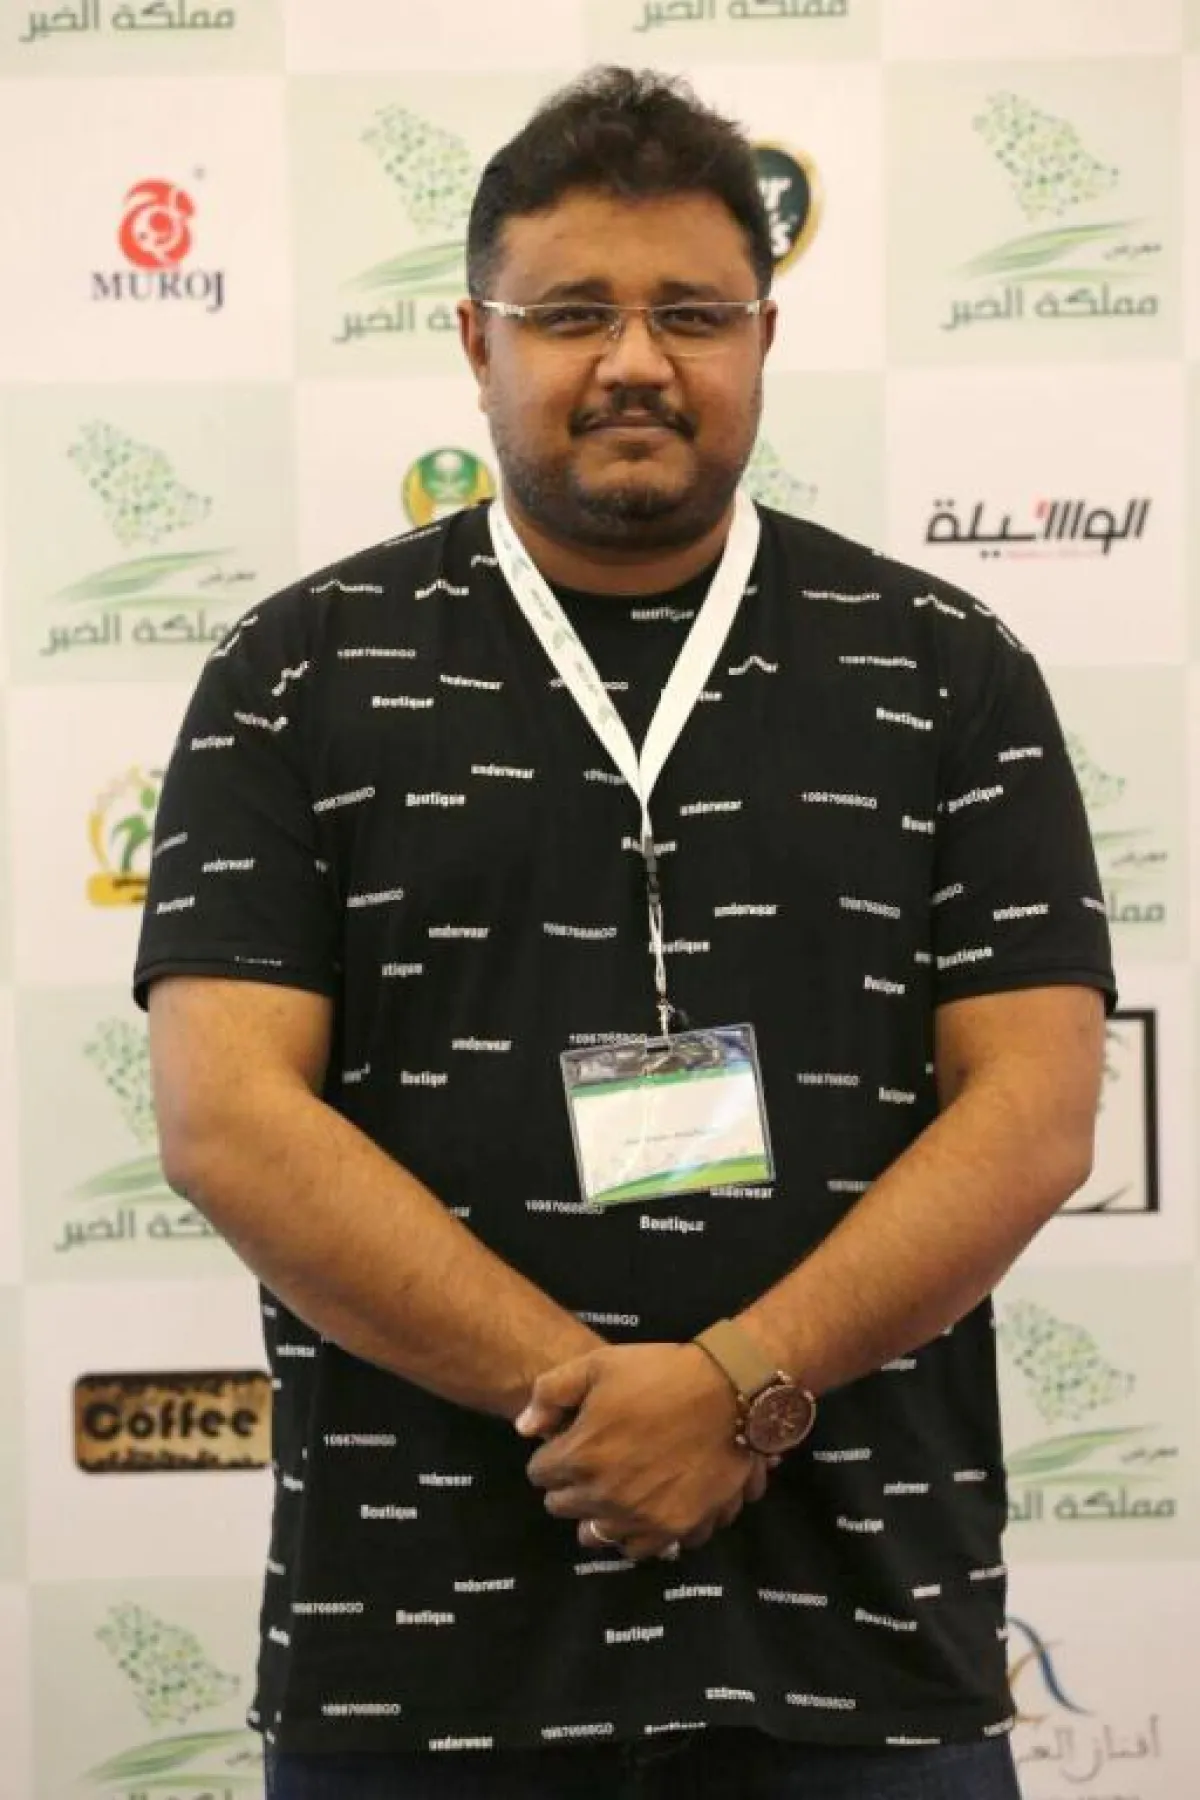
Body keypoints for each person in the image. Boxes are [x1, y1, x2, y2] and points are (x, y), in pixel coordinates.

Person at [134, 66, 1113, 1800]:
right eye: (572, 312)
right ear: (475, 341)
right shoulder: (297, 676)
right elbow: (228, 1120)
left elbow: (1032, 1114)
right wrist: (604, 1405)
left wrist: (738, 1386)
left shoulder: (943, 671)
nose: (637, 360)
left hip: (862, 1648)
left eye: (694, 313)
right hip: (418, 1659)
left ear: (764, 338)